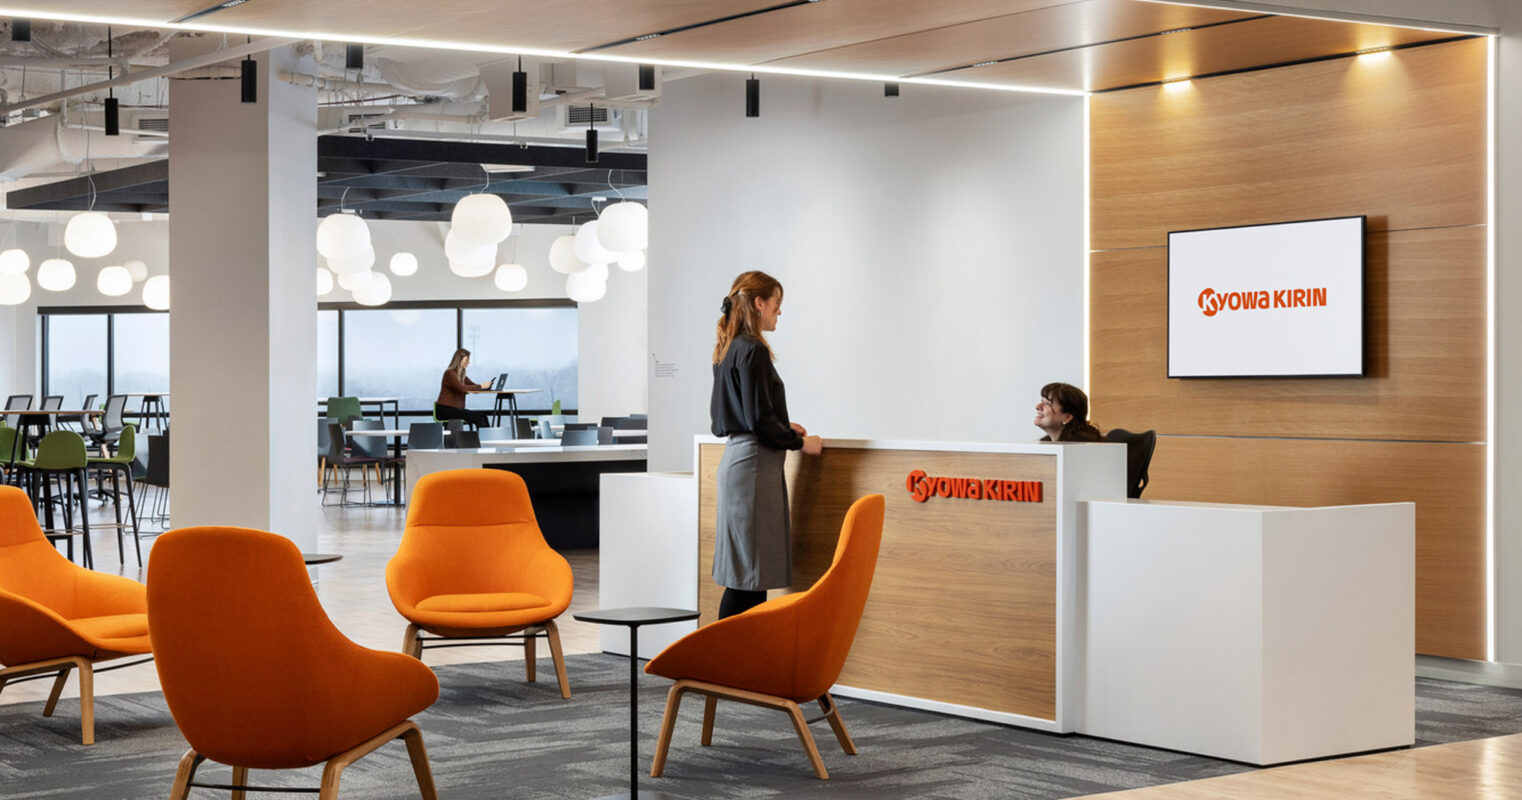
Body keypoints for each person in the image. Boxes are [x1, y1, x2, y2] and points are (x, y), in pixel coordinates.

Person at [710, 270, 823, 620]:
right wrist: (799, 442)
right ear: (759, 303)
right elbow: (758, 420)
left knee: (745, 576)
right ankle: (730, 664)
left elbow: (732, 416)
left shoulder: (730, 347)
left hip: (739, 464)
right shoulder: (754, 349)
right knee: (749, 579)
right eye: (776, 304)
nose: (779, 313)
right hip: (754, 470)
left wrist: (780, 424)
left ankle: (732, 664)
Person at [435, 348, 492, 429]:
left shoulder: (462, 375)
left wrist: (486, 387)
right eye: (467, 360)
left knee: (483, 416)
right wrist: (481, 386)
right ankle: (482, 440)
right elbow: (461, 388)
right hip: (445, 410)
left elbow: (473, 387)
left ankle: (488, 439)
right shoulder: (449, 373)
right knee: (477, 417)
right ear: (459, 360)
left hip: (455, 409)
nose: (469, 362)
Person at [1034, 382, 1104, 442]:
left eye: (1047, 403)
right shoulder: (1047, 443)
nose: (1037, 406)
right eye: (1042, 401)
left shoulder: (1080, 448)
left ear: (1067, 417)